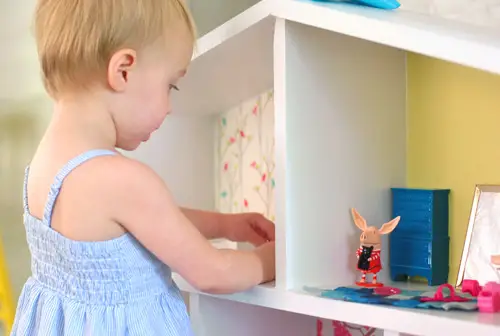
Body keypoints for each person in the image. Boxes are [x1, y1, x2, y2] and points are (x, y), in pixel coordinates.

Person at [10, 0, 276, 334]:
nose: (168, 107)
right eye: (170, 85)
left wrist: (225, 225)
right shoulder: (122, 180)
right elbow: (212, 272)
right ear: (123, 70)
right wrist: (273, 259)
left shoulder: (42, 169)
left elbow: (143, 225)